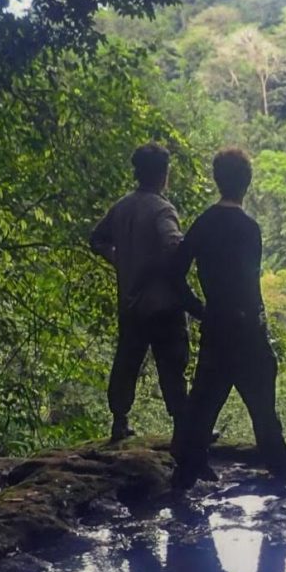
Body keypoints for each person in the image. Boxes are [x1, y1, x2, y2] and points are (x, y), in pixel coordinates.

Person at [170, 148, 286, 488]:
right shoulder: (249, 228)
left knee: (205, 402)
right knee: (262, 404)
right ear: (247, 183)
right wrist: (258, 322)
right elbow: (248, 282)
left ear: (217, 180)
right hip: (246, 326)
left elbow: (175, 272)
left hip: (216, 323)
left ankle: (186, 475)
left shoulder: (204, 224)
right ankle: (280, 471)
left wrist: (198, 309)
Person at [90, 142, 203, 443]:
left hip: (130, 302)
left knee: (127, 361)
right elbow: (174, 245)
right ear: (163, 173)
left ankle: (119, 421)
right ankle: (183, 426)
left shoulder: (122, 206)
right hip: (163, 303)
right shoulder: (162, 209)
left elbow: (96, 239)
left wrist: (122, 260)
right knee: (173, 364)